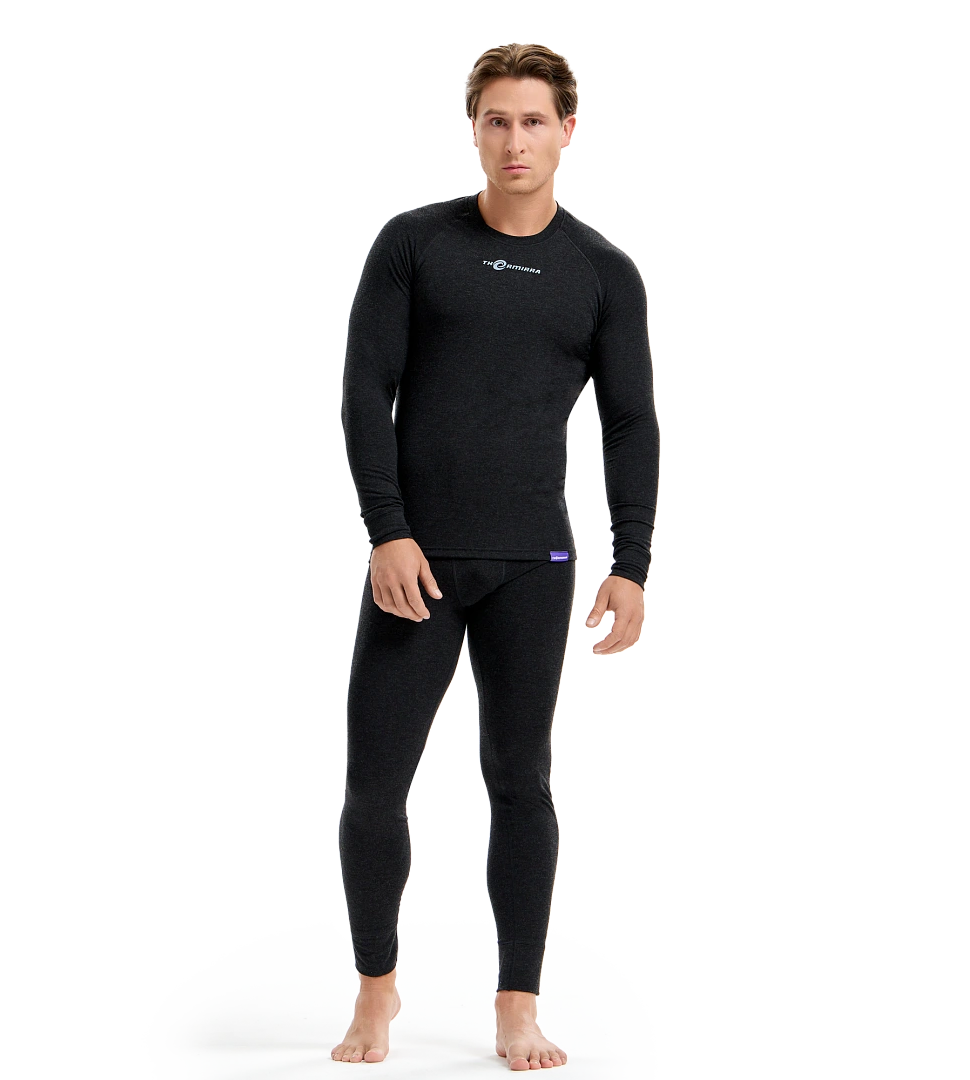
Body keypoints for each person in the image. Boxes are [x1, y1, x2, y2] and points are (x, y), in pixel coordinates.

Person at [334, 41, 659, 1069]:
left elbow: (630, 424)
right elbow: (366, 390)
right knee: (375, 783)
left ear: (568, 130)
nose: (515, 141)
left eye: (533, 121)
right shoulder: (415, 244)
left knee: (521, 781)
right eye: (496, 120)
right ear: (473, 129)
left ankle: (518, 1004)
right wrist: (387, 528)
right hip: (418, 561)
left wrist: (632, 563)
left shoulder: (602, 272)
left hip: (532, 564)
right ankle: (376, 988)